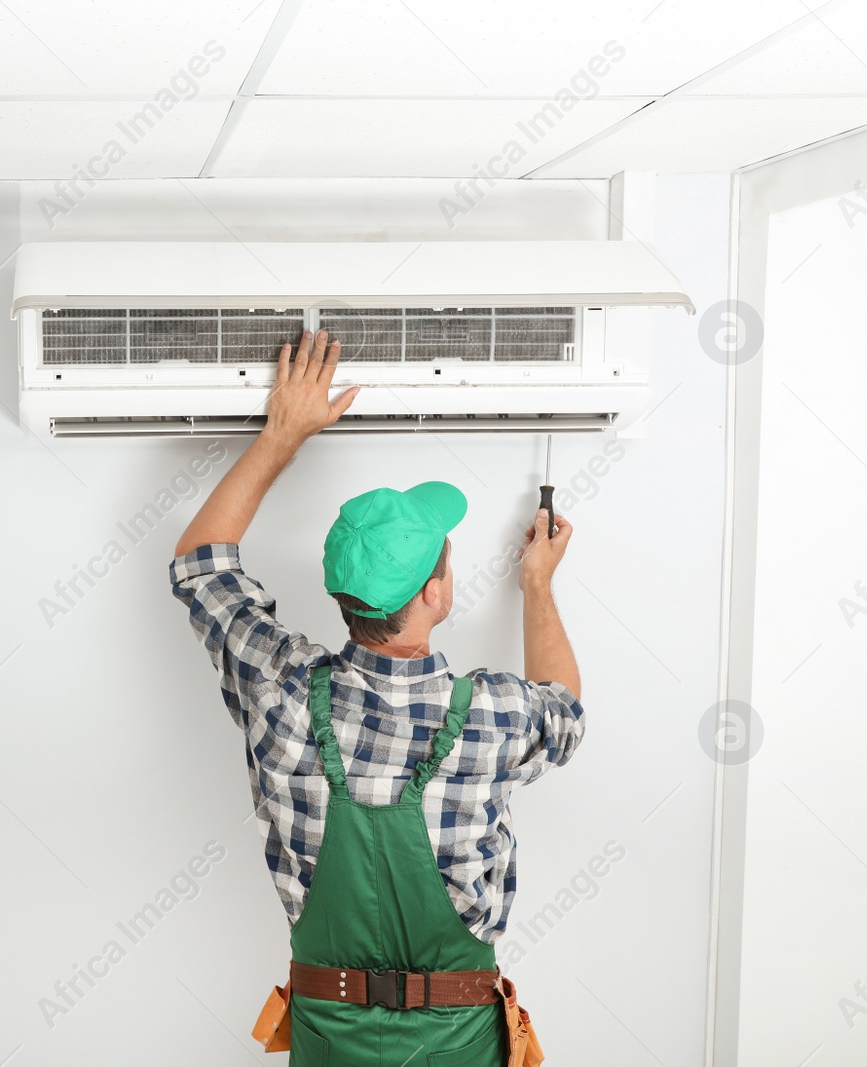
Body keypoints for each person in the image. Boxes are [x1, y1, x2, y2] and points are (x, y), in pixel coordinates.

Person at [169, 329, 583, 1065]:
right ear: (437, 592)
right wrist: (538, 584)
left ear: (342, 593)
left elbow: (201, 565)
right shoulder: (493, 713)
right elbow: (565, 706)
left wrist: (283, 435)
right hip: (458, 1045)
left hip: (333, 1045)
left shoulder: (282, 686)